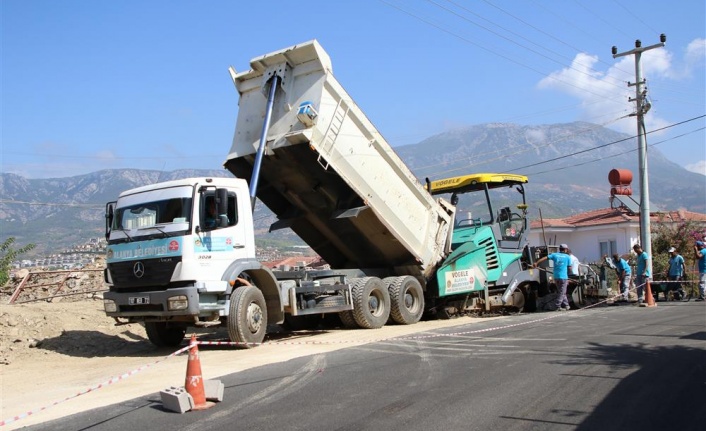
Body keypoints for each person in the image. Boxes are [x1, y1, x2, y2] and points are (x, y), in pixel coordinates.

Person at [534, 244, 572, 311]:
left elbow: (545, 258)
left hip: (556, 276)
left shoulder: (555, 255)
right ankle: (557, 306)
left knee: (562, 291)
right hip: (563, 277)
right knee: (562, 292)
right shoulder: (567, 257)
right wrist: (569, 275)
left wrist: (536, 263)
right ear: (565, 249)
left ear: (560, 249)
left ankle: (566, 305)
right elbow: (569, 268)